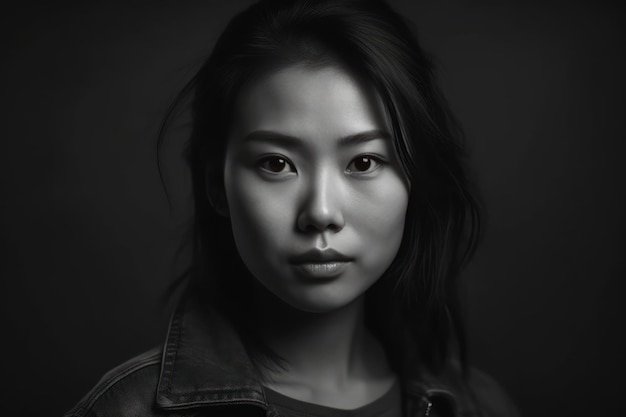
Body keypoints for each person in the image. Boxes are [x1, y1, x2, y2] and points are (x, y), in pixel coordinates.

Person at [65, 0, 520, 416]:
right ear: (216, 185)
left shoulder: (478, 406)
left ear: (414, 179)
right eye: (277, 164)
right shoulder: (126, 409)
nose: (321, 213)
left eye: (364, 162)